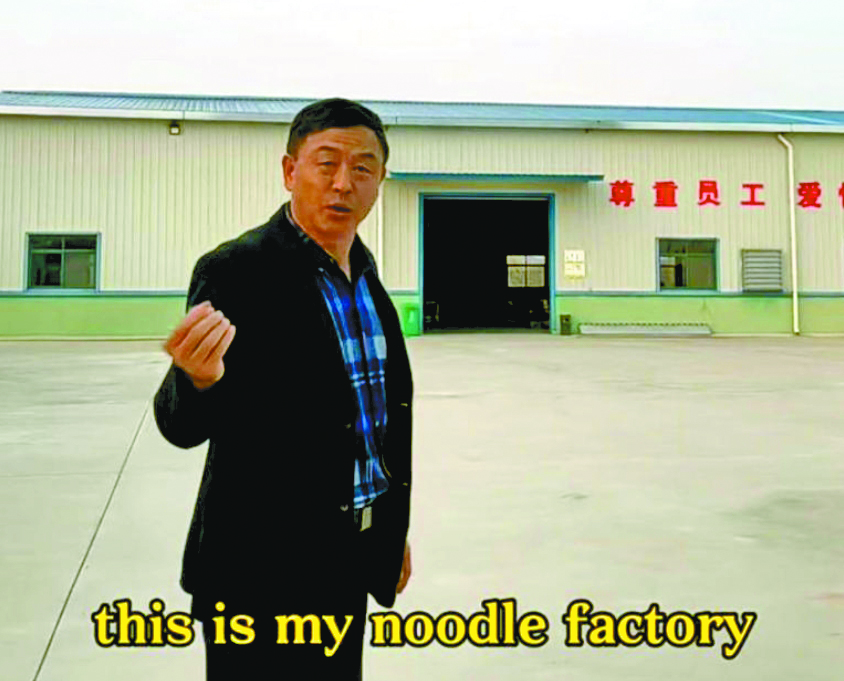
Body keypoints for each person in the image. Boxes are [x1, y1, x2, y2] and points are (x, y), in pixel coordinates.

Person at [153, 98, 413, 680]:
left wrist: (388, 532)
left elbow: (372, 426)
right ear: (290, 171)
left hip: (347, 562)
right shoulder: (236, 270)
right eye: (327, 163)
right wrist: (196, 379)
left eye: (363, 167)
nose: (344, 183)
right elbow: (180, 427)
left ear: (380, 181)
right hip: (257, 573)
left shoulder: (367, 281)